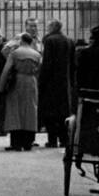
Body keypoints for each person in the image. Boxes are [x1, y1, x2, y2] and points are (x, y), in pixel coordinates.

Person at [0, 33, 41, 150]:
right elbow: (39, 71)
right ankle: (28, 142)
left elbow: (6, 70)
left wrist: (1, 87)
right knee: (30, 111)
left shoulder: (15, 53)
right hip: (31, 82)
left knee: (14, 111)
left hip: (17, 82)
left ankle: (16, 143)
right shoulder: (37, 54)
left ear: (21, 41)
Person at [38, 20, 74, 148]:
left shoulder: (49, 40)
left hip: (51, 82)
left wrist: (41, 80)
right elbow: (73, 63)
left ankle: (52, 139)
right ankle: (64, 139)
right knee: (63, 112)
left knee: (50, 113)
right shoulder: (69, 41)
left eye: (48, 26)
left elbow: (47, 63)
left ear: (52, 27)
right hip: (65, 81)